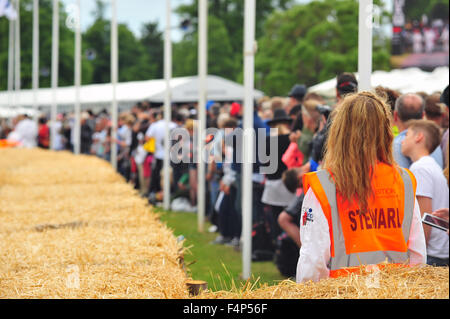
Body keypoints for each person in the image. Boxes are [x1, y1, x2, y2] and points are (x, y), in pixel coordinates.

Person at [296, 91, 426, 283]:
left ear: (339, 132)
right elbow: (418, 256)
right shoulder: (404, 181)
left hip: (341, 293)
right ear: (386, 132)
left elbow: (313, 264)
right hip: (396, 292)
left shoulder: (323, 186)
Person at [401, 120, 449, 266]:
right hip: (440, 251)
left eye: (407, 135)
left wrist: (418, 258)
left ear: (419, 137)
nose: (402, 140)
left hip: (433, 254)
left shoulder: (420, 169)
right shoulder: (430, 165)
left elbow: (423, 218)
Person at [393, 93, 443, 168]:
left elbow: (402, 178)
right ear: (423, 115)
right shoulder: (433, 141)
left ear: (395, 116)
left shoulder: (397, 145)